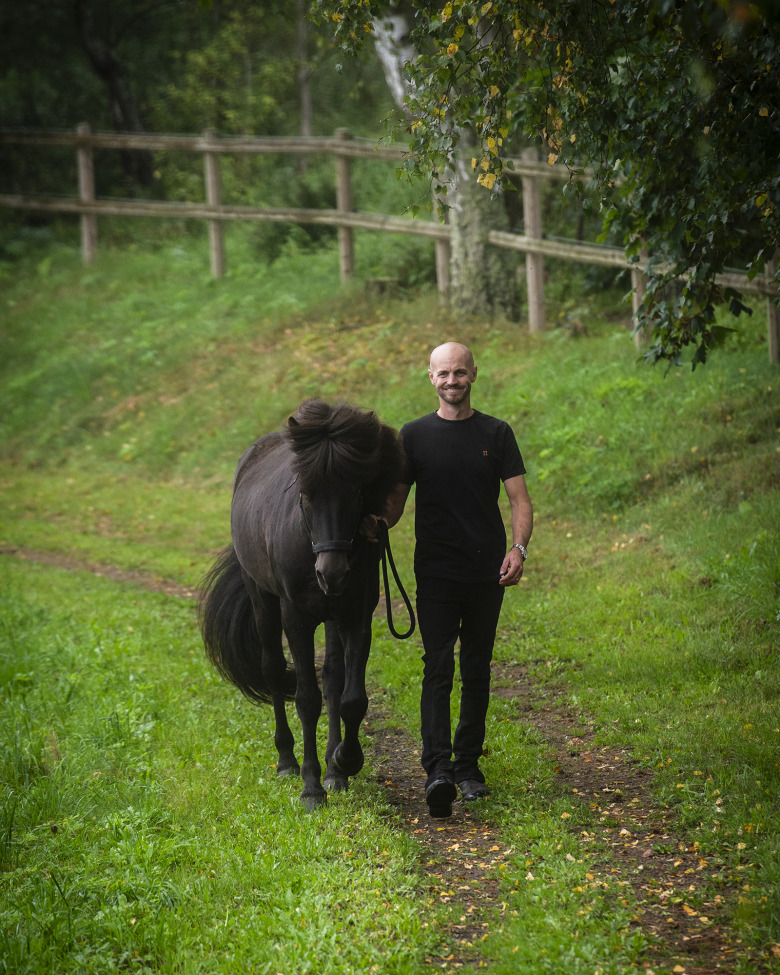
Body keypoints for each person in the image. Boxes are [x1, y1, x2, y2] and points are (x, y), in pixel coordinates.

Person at [369, 342, 533, 818]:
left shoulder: (497, 433)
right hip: (435, 571)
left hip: (487, 571)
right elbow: (396, 503)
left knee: (477, 667)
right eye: (443, 374)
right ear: (430, 378)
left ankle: (468, 770)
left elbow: (520, 500)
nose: (452, 381)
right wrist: (373, 523)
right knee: (438, 667)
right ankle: (437, 770)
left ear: (474, 375)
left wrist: (518, 550)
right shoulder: (414, 436)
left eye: (460, 373)